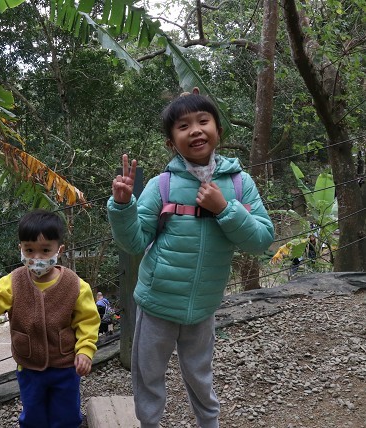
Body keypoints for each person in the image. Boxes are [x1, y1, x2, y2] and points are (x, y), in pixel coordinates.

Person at [107, 90, 274, 428]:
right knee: (148, 374)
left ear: (218, 131)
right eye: (183, 126)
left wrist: (224, 209)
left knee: (200, 375)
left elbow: (261, 240)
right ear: (172, 142)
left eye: (203, 121)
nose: (195, 130)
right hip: (157, 302)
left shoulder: (239, 184)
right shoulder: (162, 185)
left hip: (203, 306)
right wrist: (123, 207)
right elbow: (134, 242)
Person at [0, 209, 100, 427]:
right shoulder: (14, 281)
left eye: (45, 250)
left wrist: (85, 350)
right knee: (33, 413)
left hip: (65, 365)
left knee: (66, 414)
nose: (36, 258)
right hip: (29, 366)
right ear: (20, 248)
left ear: (60, 250)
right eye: (29, 250)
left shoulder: (75, 286)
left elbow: (88, 321)